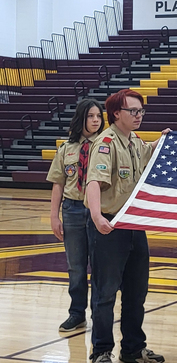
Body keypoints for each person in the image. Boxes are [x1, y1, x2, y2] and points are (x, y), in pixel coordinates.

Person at [84, 89, 168, 363]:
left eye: (141, 111)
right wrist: (96, 216)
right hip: (109, 225)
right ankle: (101, 351)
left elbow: (148, 152)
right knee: (105, 292)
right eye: (133, 111)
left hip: (134, 225)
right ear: (116, 113)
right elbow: (94, 181)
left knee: (136, 292)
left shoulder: (133, 140)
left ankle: (132, 348)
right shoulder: (106, 143)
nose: (139, 116)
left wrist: (163, 140)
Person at [48, 98, 104, 332]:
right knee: (77, 266)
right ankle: (76, 313)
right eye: (90, 116)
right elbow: (58, 184)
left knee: (100, 265)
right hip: (72, 209)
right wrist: (54, 216)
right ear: (81, 118)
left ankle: (100, 314)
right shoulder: (66, 148)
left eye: (98, 116)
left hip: (99, 210)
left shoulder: (106, 145)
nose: (95, 120)